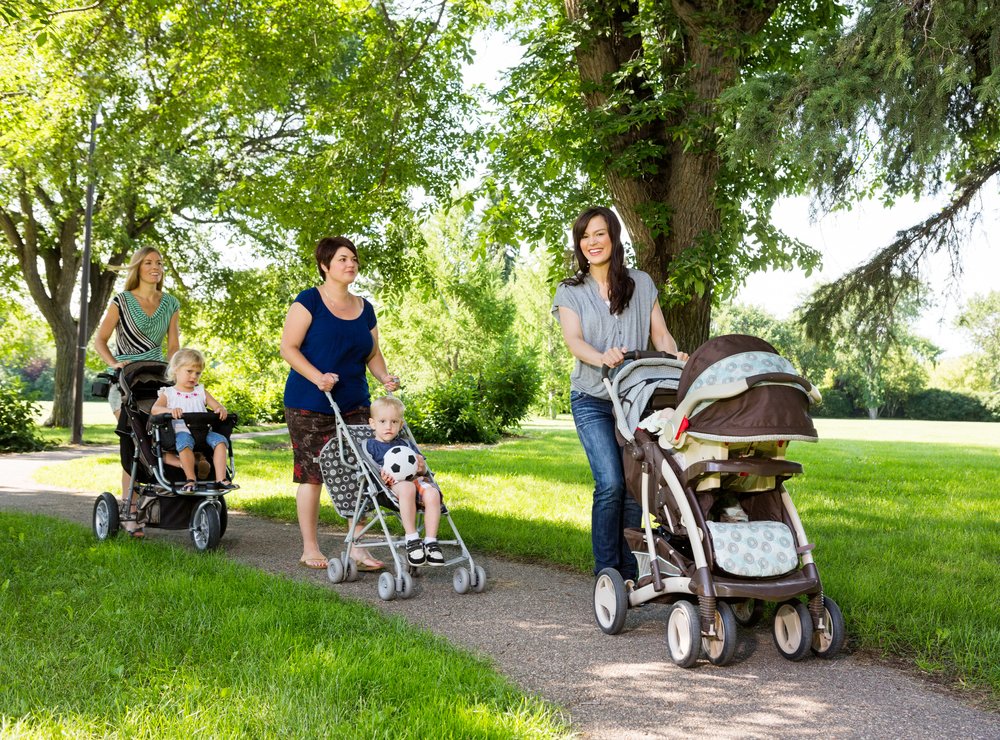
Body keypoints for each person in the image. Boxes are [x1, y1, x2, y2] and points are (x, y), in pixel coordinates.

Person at [552, 206, 688, 581]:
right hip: (592, 398)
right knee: (610, 482)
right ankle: (607, 572)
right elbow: (574, 341)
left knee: (633, 487)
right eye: (584, 236)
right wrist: (603, 357)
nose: (592, 242)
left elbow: (659, 333)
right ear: (578, 244)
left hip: (634, 400)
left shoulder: (641, 283)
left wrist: (673, 353)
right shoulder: (570, 291)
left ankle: (630, 573)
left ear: (613, 237)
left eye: (599, 234)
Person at [280, 236, 400, 571]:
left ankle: (358, 548)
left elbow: (372, 353)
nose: (351, 265)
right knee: (313, 474)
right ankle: (310, 547)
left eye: (354, 259)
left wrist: (385, 378)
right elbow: (288, 347)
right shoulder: (309, 301)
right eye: (343, 259)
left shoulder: (365, 307)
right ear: (325, 265)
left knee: (362, 472)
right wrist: (318, 376)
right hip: (309, 402)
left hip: (355, 402)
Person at [94, 246, 181, 535]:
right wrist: (116, 364)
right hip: (126, 383)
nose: (155, 267)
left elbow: (172, 346)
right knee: (135, 438)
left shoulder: (170, 303)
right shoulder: (122, 301)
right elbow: (101, 341)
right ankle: (129, 507)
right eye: (148, 262)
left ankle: (155, 496)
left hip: (158, 381)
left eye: (159, 262)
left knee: (159, 439)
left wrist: (178, 375)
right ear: (137, 268)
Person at [365, 396, 444, 567]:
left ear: (401, 425)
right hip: (390, 487)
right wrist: (381, 476)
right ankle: (412, 539)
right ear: (373, 423)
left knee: (432, 492)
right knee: (407, 488)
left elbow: (421, 467)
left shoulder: (406, 444)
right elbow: (370, 470)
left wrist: (421, 467)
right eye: (383, 421)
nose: (388, 426)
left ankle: (430, 541)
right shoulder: (370, 446)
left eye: (394, 422)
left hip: (415, 480)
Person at [150, 348, 236, 493]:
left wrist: (220, 409)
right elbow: (155, 409)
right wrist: (170, 411)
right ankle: (191, 479)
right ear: (176, 369)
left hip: (203, 433)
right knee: (184, 443)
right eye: (189, 371)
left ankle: (221, 479)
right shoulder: (169, 393)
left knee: (221, 441)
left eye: (198, 373)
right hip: (181, 432)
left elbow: (216, 405)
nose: (193, 376)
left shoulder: (201, 391)